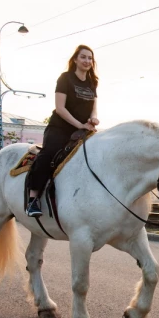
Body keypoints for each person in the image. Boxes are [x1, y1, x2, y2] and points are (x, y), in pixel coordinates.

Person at [26, 44, 100, 217]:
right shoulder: (65, 78)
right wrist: (79, 124)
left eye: (90, 58)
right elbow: (60, 108)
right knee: (48, 154)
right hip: (60, 127)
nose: (87, 61)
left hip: (83, 129)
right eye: (83, 57)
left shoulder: (92, 82)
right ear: (75, 59)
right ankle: (33, 199)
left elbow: (94, 106)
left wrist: (93, 118)